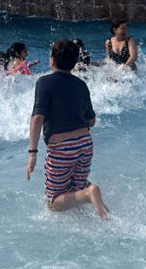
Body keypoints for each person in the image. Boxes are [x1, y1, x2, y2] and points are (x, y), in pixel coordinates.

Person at [26, 39, 110, 220]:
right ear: (74, 62)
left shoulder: (44, 82)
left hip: (62, 148)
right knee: (75, 188)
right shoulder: (81, 85)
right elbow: (92, 120)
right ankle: (102, 211)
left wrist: (32, 153)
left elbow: (37, 117)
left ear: (51, 60)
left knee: (53, 202)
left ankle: (90, 194)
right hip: (85, 144)